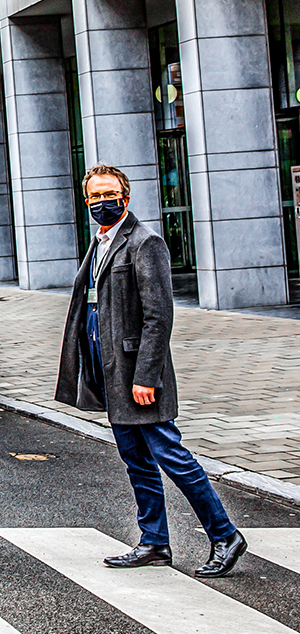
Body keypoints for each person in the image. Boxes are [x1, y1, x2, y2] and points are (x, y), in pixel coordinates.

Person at [57, 164, 246, 577]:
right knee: (137, 460)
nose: (101, 202)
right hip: (111, 374)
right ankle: (154, 542)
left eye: (109, 194)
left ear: (125, 197)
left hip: (137, 377)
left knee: (171, 455)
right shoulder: (100, 244)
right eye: (94, 196)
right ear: (86, 200)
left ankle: (225, 534)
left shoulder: (145, 242)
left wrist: (146, 376)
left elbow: (158, 317)